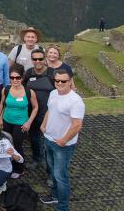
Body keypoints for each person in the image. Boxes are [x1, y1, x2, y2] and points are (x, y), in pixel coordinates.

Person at [39, 70, 85, 210]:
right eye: (57, 80)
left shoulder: (75, 101)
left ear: (70, 81)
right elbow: (49, 110)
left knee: (61, 176)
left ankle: (63, 207)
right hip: (49, 139)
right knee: (53, 172)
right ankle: (54, 196)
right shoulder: (53, 94)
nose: (59, 83)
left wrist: (64, 140)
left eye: (63, 81)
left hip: (62, 145)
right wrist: (43, 125)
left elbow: (77, 125)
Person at [0, 63, 38, 178]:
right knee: (6, 143)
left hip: (20, 123)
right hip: (7, 120)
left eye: (17, 78)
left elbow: (35, 107)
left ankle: (20, 168)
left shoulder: (28, 92)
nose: (14, 80)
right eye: (12, 78)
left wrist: (29, 122)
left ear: (22, 77)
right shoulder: (6, 89)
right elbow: (2, 104)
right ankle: (8, 164)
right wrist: (0, 118)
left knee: (17, 145)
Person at [25, 48, 55, 168]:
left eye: (40, 59)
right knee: (34, 138)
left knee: (48, 140)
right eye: (34, 59)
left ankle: (49, 164)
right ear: (31, 60)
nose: (38, 61)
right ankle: (36, 158)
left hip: (48, 113)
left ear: (45, 59)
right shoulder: (28, 73)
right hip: (32, 113)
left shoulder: (52, 73)